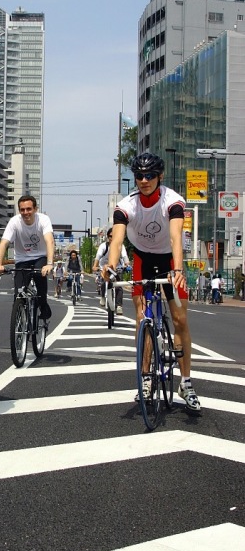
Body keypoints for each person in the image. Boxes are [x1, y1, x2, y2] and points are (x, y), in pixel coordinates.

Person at [101, 152, 201, 413]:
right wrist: (110, 267)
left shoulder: (173, 201)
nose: (143, 180)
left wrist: (178, 269)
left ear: (160, 176)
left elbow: (176, 237)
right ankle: (145, 378)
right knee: (142, 316)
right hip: (142, 259)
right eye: (138, 176)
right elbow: (117, 240)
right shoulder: (126, 206)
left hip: (169, 259)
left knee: (179, 318)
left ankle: (186, 381)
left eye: (149, 175)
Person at [0, 195, 55, 320]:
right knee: (18, 294)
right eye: (22, 210)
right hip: (22, 259)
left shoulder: (43, 220)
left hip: (40, 257)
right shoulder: (14, 222)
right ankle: (19, 321)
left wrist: (49, 263)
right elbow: (4, 243)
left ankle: (43, 305)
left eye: (29, 209)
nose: (25, 213)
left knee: (40, 274)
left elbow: (49, 241)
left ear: (35, 209)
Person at [93, 228, 130, 314]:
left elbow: (125, 257)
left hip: (117, 268)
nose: (112, 238)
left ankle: (119, 306)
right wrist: (95, 266)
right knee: (102, 282)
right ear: (107, 237)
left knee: (118, 286)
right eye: (110, 236)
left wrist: (127, 264)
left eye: (114, 236)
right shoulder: (103, 246)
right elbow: (98, 257)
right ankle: (102, 296)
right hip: (104, 268)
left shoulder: (121, 246)